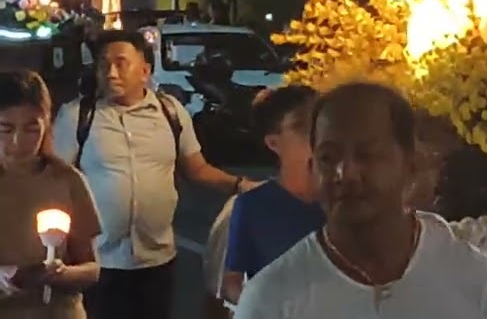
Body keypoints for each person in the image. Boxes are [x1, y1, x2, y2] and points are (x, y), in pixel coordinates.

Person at [234, 82, 487, 319]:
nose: (345, 174)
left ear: (411, 163)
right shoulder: (270, 299)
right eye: (328, 158)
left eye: (366, 155)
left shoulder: (474, 279)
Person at [51, 30, 259, 319]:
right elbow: (57, 181)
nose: (111, 72)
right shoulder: (77, 116)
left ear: (145, 71)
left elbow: (197, 169)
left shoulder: (170, 113)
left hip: (157, 261)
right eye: (103, 64)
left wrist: (242, 185)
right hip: (99, 263)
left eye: (121, 63)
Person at [0, 71, 102, 319]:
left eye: (31, 129)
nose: (18, 141)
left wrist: (60, 274)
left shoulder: (67, 180)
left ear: (46, 123)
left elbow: (91, 268)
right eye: (5, 129)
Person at [221, 86, 324, 303]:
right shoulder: (252, 206)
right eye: (303, 127)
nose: (318, 134)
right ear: (273, 142)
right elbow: (232, 280)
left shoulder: (344, 200)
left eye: (323, 122)